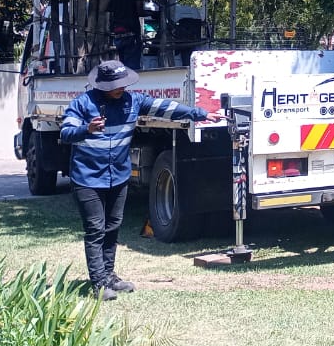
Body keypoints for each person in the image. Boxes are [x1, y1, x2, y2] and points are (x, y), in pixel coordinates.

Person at [60, 60, 223, 300]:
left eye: (124, 84)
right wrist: (87, 129)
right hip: (87, 178)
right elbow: (65, 133)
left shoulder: (132, 101)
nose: (121, 88)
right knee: (95, 229)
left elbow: (164, 107)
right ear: (102, 85)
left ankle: (109, 276)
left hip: (118, 176)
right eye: (116, 85)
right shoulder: (83, 103)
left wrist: (196, 113)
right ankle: (98, 283)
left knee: (113, 227)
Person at [108, 0, 148, 70]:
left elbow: (109, 8)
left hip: (117, 32)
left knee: (122, 67)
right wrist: (152, 13)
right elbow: (139, 10)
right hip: (131, 32)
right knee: (132, 69)